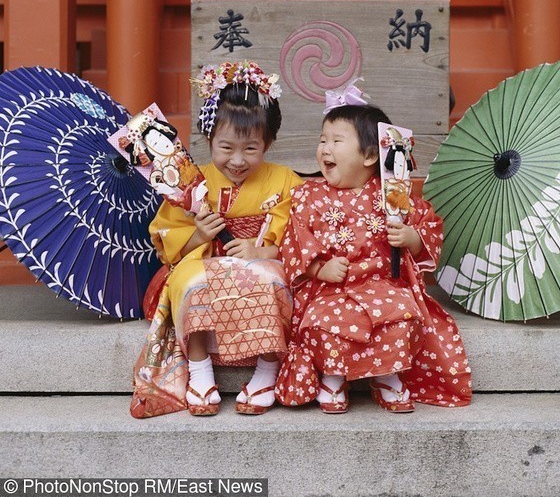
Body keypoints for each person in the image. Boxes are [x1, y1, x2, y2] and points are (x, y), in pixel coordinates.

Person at [275, 96, 472, 413]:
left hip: (381, 285)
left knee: (400, 314)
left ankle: (387, 375)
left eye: (337, 140)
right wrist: (319, 269)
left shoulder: (392, 194)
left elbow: (429, 226)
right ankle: (333, 377)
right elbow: (294, 240)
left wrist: (412, 238)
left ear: (369, 155)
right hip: (330, 289)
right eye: (322, 139)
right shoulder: (307, 194)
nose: (325, 148)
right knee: (324, 320)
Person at [130, 61, 302, 418]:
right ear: (208, 140)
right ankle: (200, 371)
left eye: (251, 149)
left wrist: (262, 249)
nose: (237, 161)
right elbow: (165, 243)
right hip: (203, 259)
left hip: (263, 259)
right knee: (192, 280)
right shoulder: (190, 182)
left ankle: (267, 371)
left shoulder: (286, 180)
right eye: (225, 148)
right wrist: (198, 235)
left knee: (271, 278)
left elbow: (303, 237)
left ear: (268, 144)